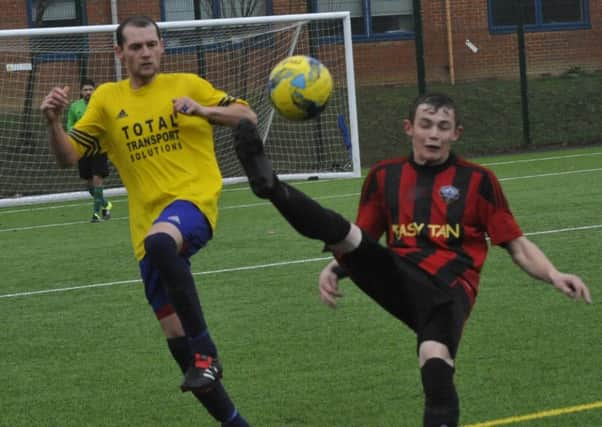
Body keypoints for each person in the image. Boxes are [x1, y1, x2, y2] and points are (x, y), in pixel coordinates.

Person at [232, 93, 592, 427]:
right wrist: (338, 266)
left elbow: (516, 245)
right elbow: (365, 237)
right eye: (426, 125)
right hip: (399, 276)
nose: (433, 134)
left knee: (435, 361)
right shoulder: (384, 176)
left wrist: (553, 274)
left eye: (443, 127)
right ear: (409, 128)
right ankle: (271, 187)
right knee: (345, 234)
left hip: (450, 290)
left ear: (456, 134)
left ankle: (275, 190)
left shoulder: (479, 181)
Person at [40, 15, 255, 427]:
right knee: (177, 342)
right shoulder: (106, 99)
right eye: (135, 47)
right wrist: (53, 122)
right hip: (147, 231)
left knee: (163, 246)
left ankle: (208, 351)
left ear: (162, 47)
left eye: (151, 44)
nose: (145, 53)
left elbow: (247, 116)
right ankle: (234, 422)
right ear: (119, 53)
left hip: (193, 203)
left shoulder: (187, 85)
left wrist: (203, 110)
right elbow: (69, 156)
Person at [66, 78, 113, 223]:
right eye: (85, 90)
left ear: (95, 90)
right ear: (81, 91)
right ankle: (106, 204)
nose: (88, 92)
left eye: (90, 89)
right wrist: (77, 133)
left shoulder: (100, 106)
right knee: (89, 185)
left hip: (99, 149)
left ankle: (96, 214)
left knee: (97, 180)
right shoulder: (75, 107)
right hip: (83, 149)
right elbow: (69, 125)